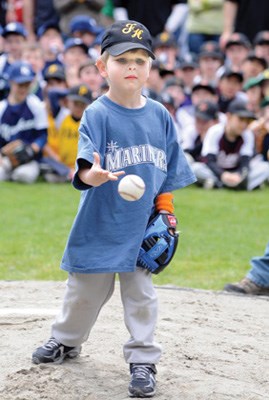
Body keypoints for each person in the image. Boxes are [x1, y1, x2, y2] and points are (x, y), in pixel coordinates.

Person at [31, 19, 196, 398]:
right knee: (84, 291)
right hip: (100, 222)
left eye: (141, 59)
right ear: (103, 68)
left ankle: (143, 359)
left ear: (151, 68)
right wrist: (95, 175)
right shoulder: (97, 114)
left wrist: (166, 212)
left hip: (141, 227)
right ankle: (67, 340)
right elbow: (84, 166)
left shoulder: (160, 116)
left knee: (141, 296)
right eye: (123, 60)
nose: (132, 67)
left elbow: (167, 173)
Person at [197, 98, 269, 190]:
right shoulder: (215, 131)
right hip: (216, 171)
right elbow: (209, 161)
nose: (244, 124)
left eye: (247, 121)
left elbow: (245, 163)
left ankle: (218, 184)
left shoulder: (247, 134)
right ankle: (242, 185)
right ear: (229, 116)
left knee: (265, 167)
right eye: (241, 119)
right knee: (195, 168)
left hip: (236, 172)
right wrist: (223, 175)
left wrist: (239, 175)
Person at [0, 61, 48, 183]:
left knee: (23, 176)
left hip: (30, 159)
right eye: (20, 84)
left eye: (26, 84)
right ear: (11, 82)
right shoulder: (2, 108)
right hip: (5, 158)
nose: (23, 88)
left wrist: (32, 149)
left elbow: (43, 135)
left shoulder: (36, 105)